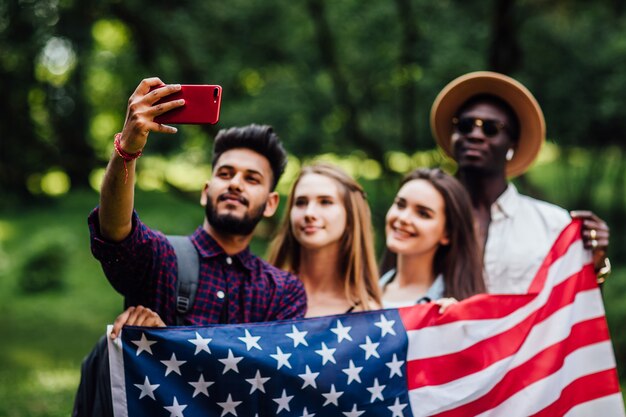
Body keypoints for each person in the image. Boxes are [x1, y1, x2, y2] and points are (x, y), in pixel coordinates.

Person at [74, 78, 306, 416]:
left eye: (251, 178)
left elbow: (276, 386)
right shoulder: (162, 257)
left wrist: (169, 345)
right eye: (225, 174)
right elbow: (115, 229)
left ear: (270, 204)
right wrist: (128, 148)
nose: (236, 183)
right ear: (205, 190)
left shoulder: (282, 293)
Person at [430, 71, 611, 293]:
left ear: (512, 144)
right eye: (465, 125)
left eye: (491, 128)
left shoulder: (553, 225)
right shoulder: (425, 217)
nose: (475, 135)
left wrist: (595, 261)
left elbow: (576, 304)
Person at [266, 163, 382, 317]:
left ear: (350, 215)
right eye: (301, 202)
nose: (309, 213)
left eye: (325, 202)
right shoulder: (263, 293)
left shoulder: (367, 313)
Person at [379, 168, 486, 309]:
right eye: (400, 205)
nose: (403, 218)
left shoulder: (455, 310)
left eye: (423, 214)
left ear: (447, 234)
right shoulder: (358, 294)